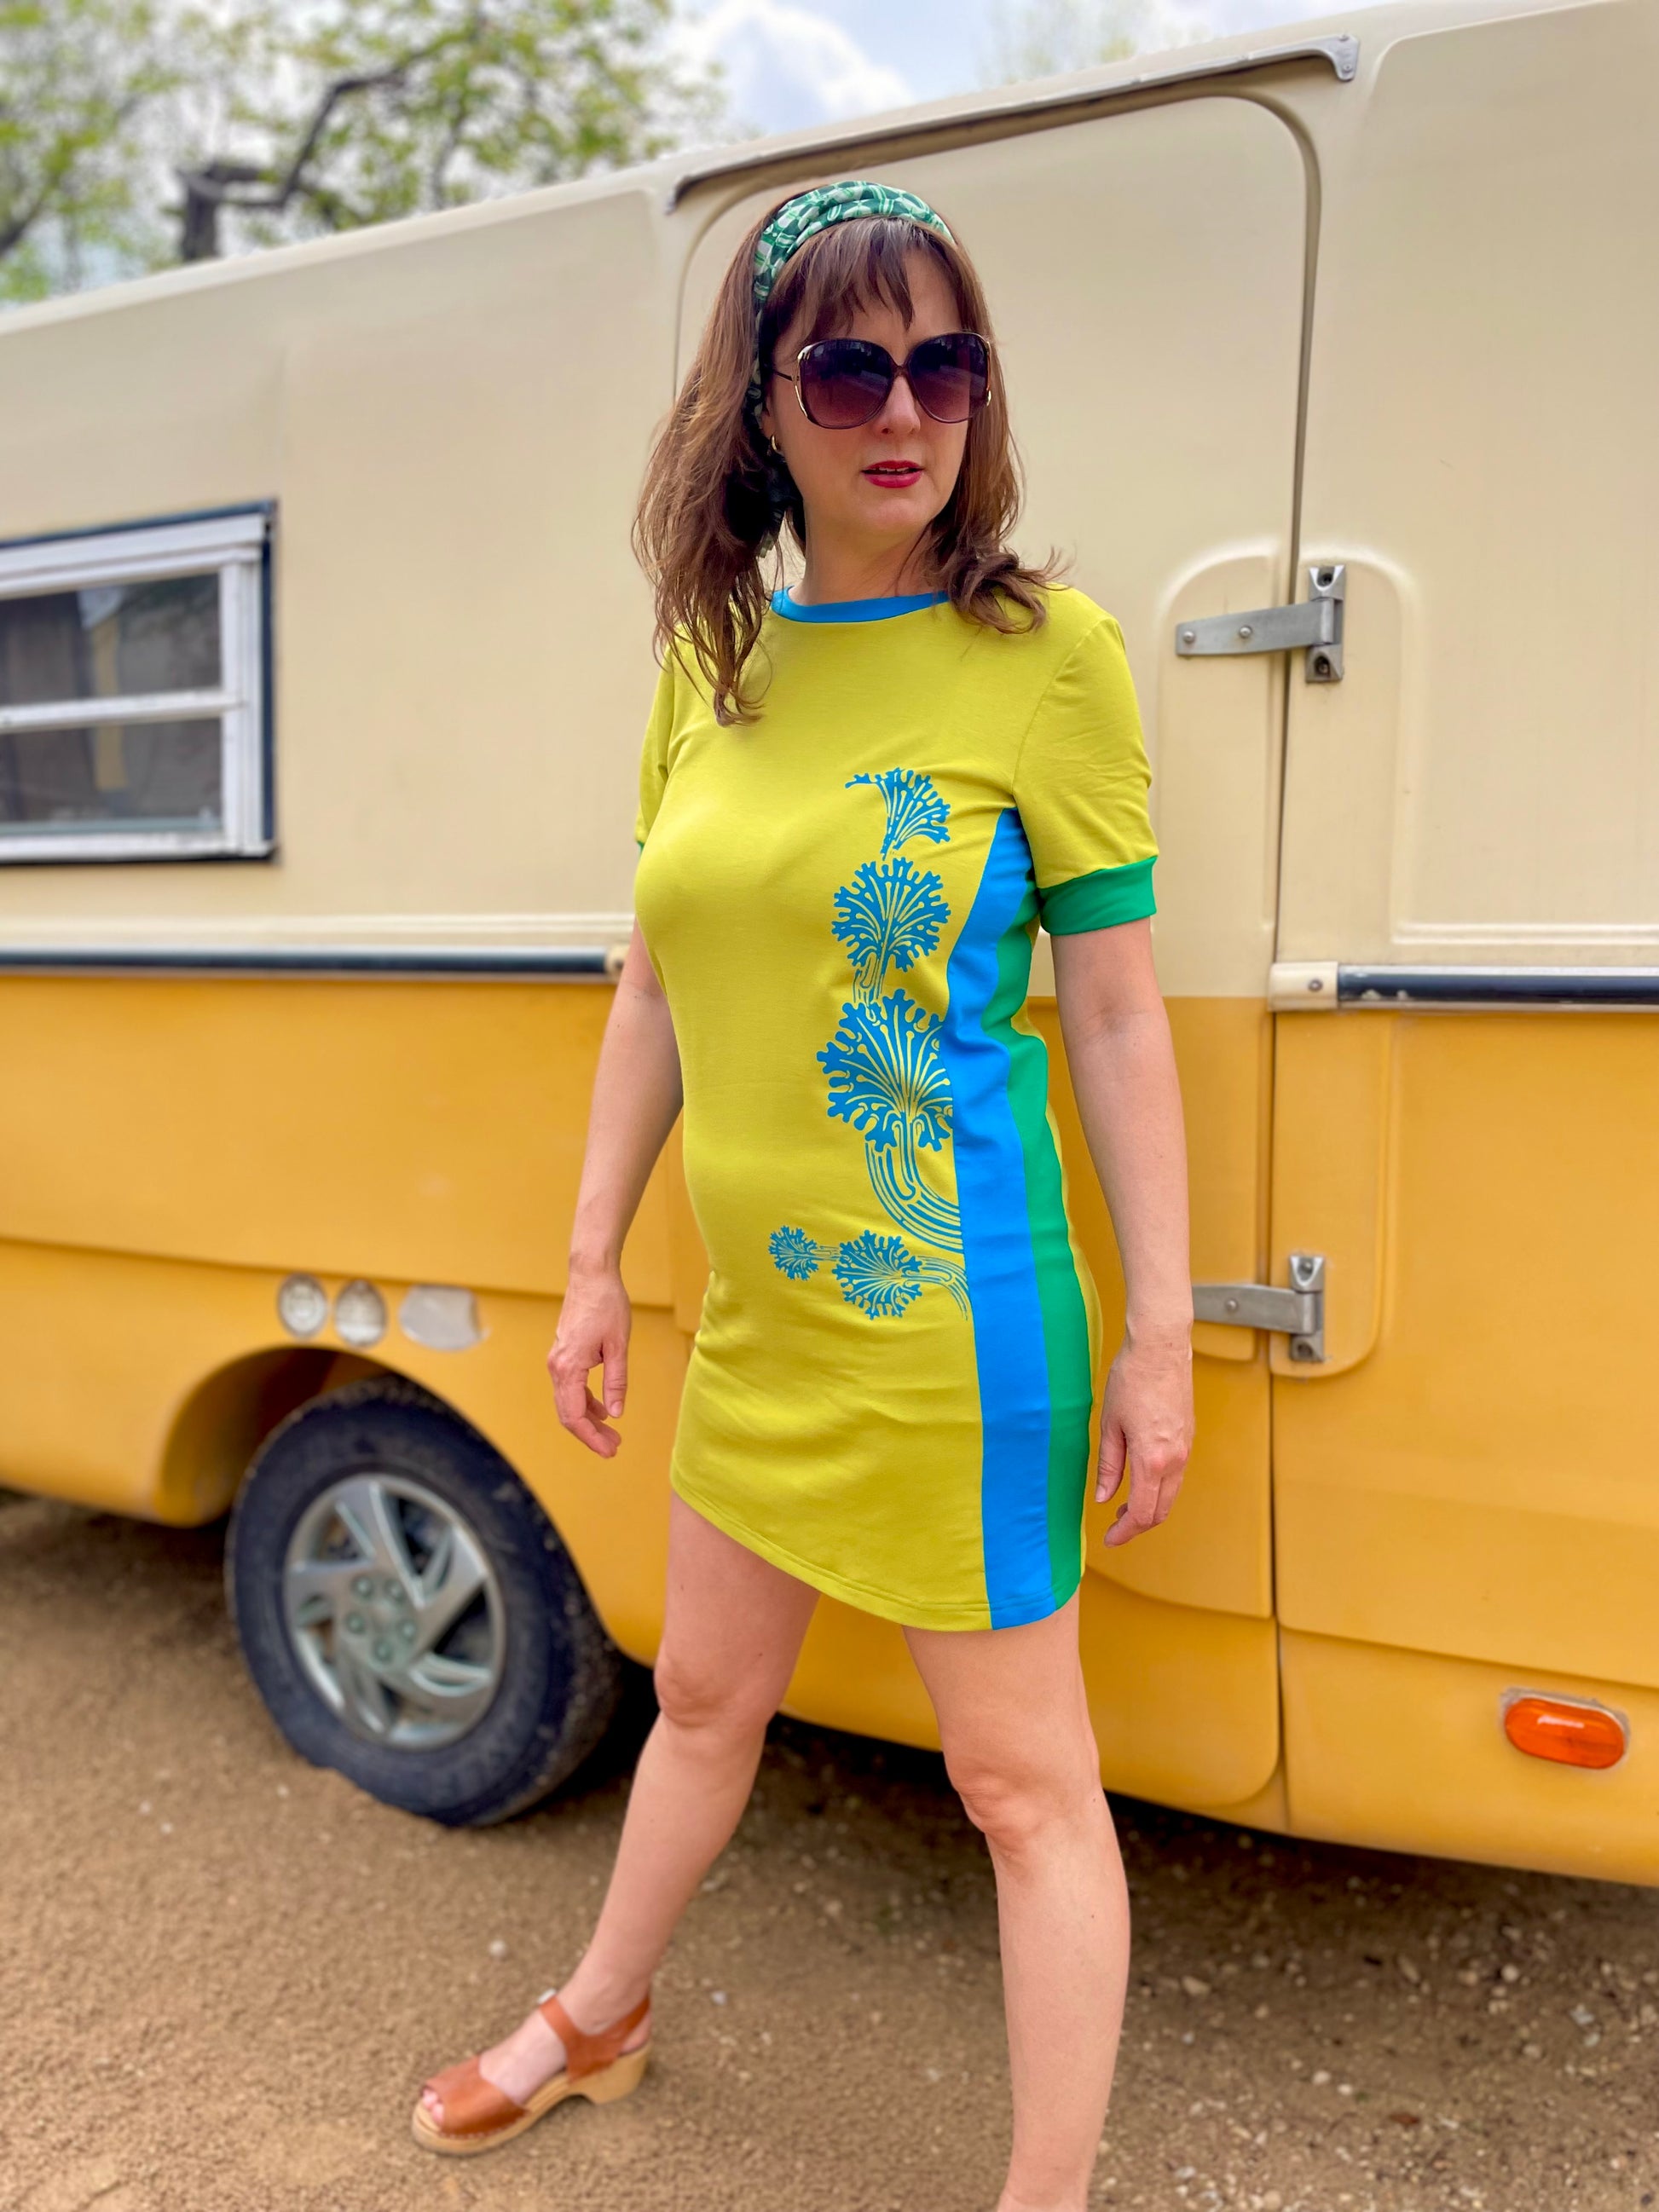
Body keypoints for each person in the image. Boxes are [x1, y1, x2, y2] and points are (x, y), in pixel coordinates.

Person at [412, 177, 1195, 2212]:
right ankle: (600, 2009)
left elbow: (1118, 1016)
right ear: (763, 404)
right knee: (697, 1693)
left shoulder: (1048, 660)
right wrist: (592, 1256)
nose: (902, 409)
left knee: (1020, 1784)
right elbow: (652, 980)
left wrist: (1166, 1337)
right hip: (756, 1322)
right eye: (847, 367)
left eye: (944, 363)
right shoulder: (714, 665)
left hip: (957, 1327)